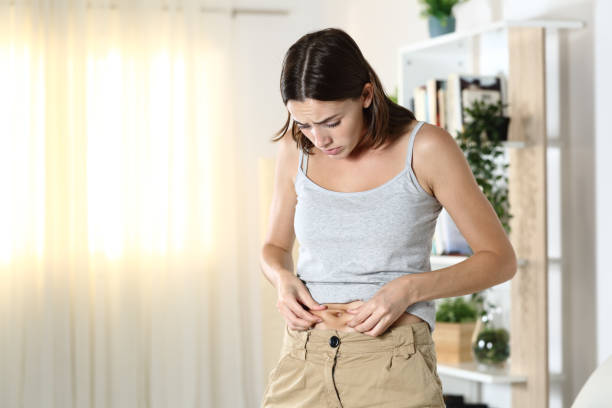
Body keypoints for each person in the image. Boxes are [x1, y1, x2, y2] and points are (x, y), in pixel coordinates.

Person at [259, 27, 517, 408]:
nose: (319, 139)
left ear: (366, 95)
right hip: (303, 359)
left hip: (393, 366)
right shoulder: (294, 149)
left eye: (331, 122)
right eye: (304, 124)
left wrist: (409, 290)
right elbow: (275, 246)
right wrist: (282, 279)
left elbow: (500, 260)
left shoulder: (426, 148)